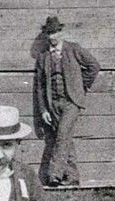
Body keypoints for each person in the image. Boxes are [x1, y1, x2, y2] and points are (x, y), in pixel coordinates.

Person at [33, 16, 100, 187]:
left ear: (61, 32)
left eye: (55, 32)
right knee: (64, 138)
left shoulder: (74, 49)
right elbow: (40, 86)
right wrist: (43, 110)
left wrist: (81, 87)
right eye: (49, 33)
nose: (52, 36)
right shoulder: (43, 57)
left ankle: (54, 175)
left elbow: (93, 66)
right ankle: (72, 177)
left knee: (62, 134)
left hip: (72, 102)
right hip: (53, 103)